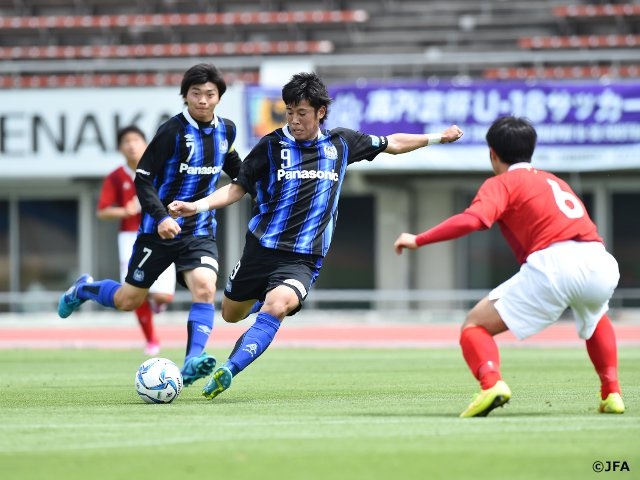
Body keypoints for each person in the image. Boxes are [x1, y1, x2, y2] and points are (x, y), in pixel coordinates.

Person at [168, 71, 464, 400]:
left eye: (302, 113)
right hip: (260, 251)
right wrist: (198, 206)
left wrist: (438, 137)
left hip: (304, 258)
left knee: (277, 307)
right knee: (231, 314)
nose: (294, 120)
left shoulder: (341, 143)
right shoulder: (270, 146)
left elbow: (392, 143)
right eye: (289, 112)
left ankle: (230, 368)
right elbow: (237, 189)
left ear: (321, 112)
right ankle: (258, 303)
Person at [393, 116, 624, 417]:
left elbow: (473, 220)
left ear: (493, 153)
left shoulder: (502, 183)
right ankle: (612, 394)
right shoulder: (554, 180)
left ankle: (492, 384)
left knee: (474, 326)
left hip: (555, 263)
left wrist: (419, 239)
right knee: (595, 316)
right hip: (599, 261)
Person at [58, 63, 243, 387]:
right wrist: (160, 217)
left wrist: (254, 181)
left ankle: (192, 361)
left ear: (219, 97)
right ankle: (84, 288)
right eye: (195, 94)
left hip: (199, 228)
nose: (202, 100)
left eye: (209, 94)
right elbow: (142, 180)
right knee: (128, 300)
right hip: (156, 232)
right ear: (185, 96)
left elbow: (232, 163)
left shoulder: (226, 129)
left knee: (204, 287)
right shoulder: (171, 132)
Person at [97, 125, 176, 356]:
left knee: (163, 295)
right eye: (126, 141)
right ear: (120, 148)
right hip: (130, 237)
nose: (131, 145)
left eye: (136, 140)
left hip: (160, 233)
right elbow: (102, 211)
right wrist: (125, 211)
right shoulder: (116, 176)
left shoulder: (159, 170)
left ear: (145, 143)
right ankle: (151, 339)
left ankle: (156, 302)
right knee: (135, 292)